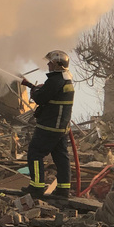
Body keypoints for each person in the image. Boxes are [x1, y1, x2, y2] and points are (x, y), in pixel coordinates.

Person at [21, 50, 75, 198]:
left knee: (35, 153)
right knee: (60, 157)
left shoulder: (55, 80)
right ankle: (63, 189)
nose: (48, 64)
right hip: (61, 127)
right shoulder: (66, 78)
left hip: (49, 126)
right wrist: (37, 88)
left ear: (58, 64)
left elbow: (41, 98)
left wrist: (35, 92)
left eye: (50, 62)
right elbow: (50, 94)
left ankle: (37, 187)